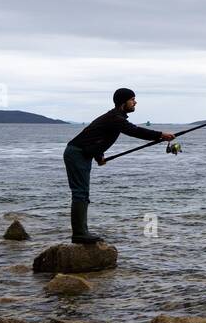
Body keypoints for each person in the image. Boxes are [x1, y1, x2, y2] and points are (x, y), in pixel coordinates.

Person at [64, 88, 175, 244]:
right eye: (132, 99)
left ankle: (82, 232)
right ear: (123, 102)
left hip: (82, 153)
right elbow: (134, 131)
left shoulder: (115, 117)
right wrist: (160, 135)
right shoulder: (115, 118)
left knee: (83, 194)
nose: (135, 102)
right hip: (77, 154)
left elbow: (94, 138)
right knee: (80, 194)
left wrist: (98, 156)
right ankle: (80, 234)